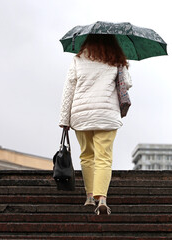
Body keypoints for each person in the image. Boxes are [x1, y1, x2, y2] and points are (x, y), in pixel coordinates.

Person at [59, 34, 132, 215]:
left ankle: (90, 197)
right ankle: (103, 200)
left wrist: (64, 119)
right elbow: (128, 83)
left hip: (81, 115)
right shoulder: (116, 60)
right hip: (106, 115)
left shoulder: (78, 59)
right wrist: (123, 65)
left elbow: (69, 89)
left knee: (86, 155)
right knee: (104, 157)